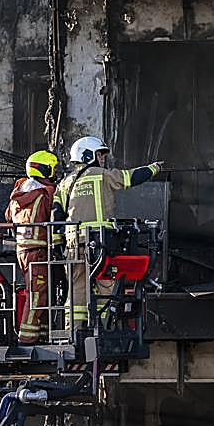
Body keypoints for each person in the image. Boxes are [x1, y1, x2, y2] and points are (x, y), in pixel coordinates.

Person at [52, 136, 163, 329]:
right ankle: (103, 328)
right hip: (100, 243)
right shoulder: (101, 175)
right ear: (87, 155)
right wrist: (154, 168)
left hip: (73, 246)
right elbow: (129, 178)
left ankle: (73, 331)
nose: (102, 159)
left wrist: (56, 244)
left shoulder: (64, 183)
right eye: (99, 154)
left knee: (77, 289)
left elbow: (56, 215)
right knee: (106, 284)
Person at [4, 150, 61, 345]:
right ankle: (26, 338)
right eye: (53, 168)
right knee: (37, 295)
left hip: (23, 250)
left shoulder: (18, 192)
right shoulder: (46, 192)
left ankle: (42, 334)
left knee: (41, 292)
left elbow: (8, 217)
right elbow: (57, 216)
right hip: (39, 251)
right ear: (45, 169)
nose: (55, 173)